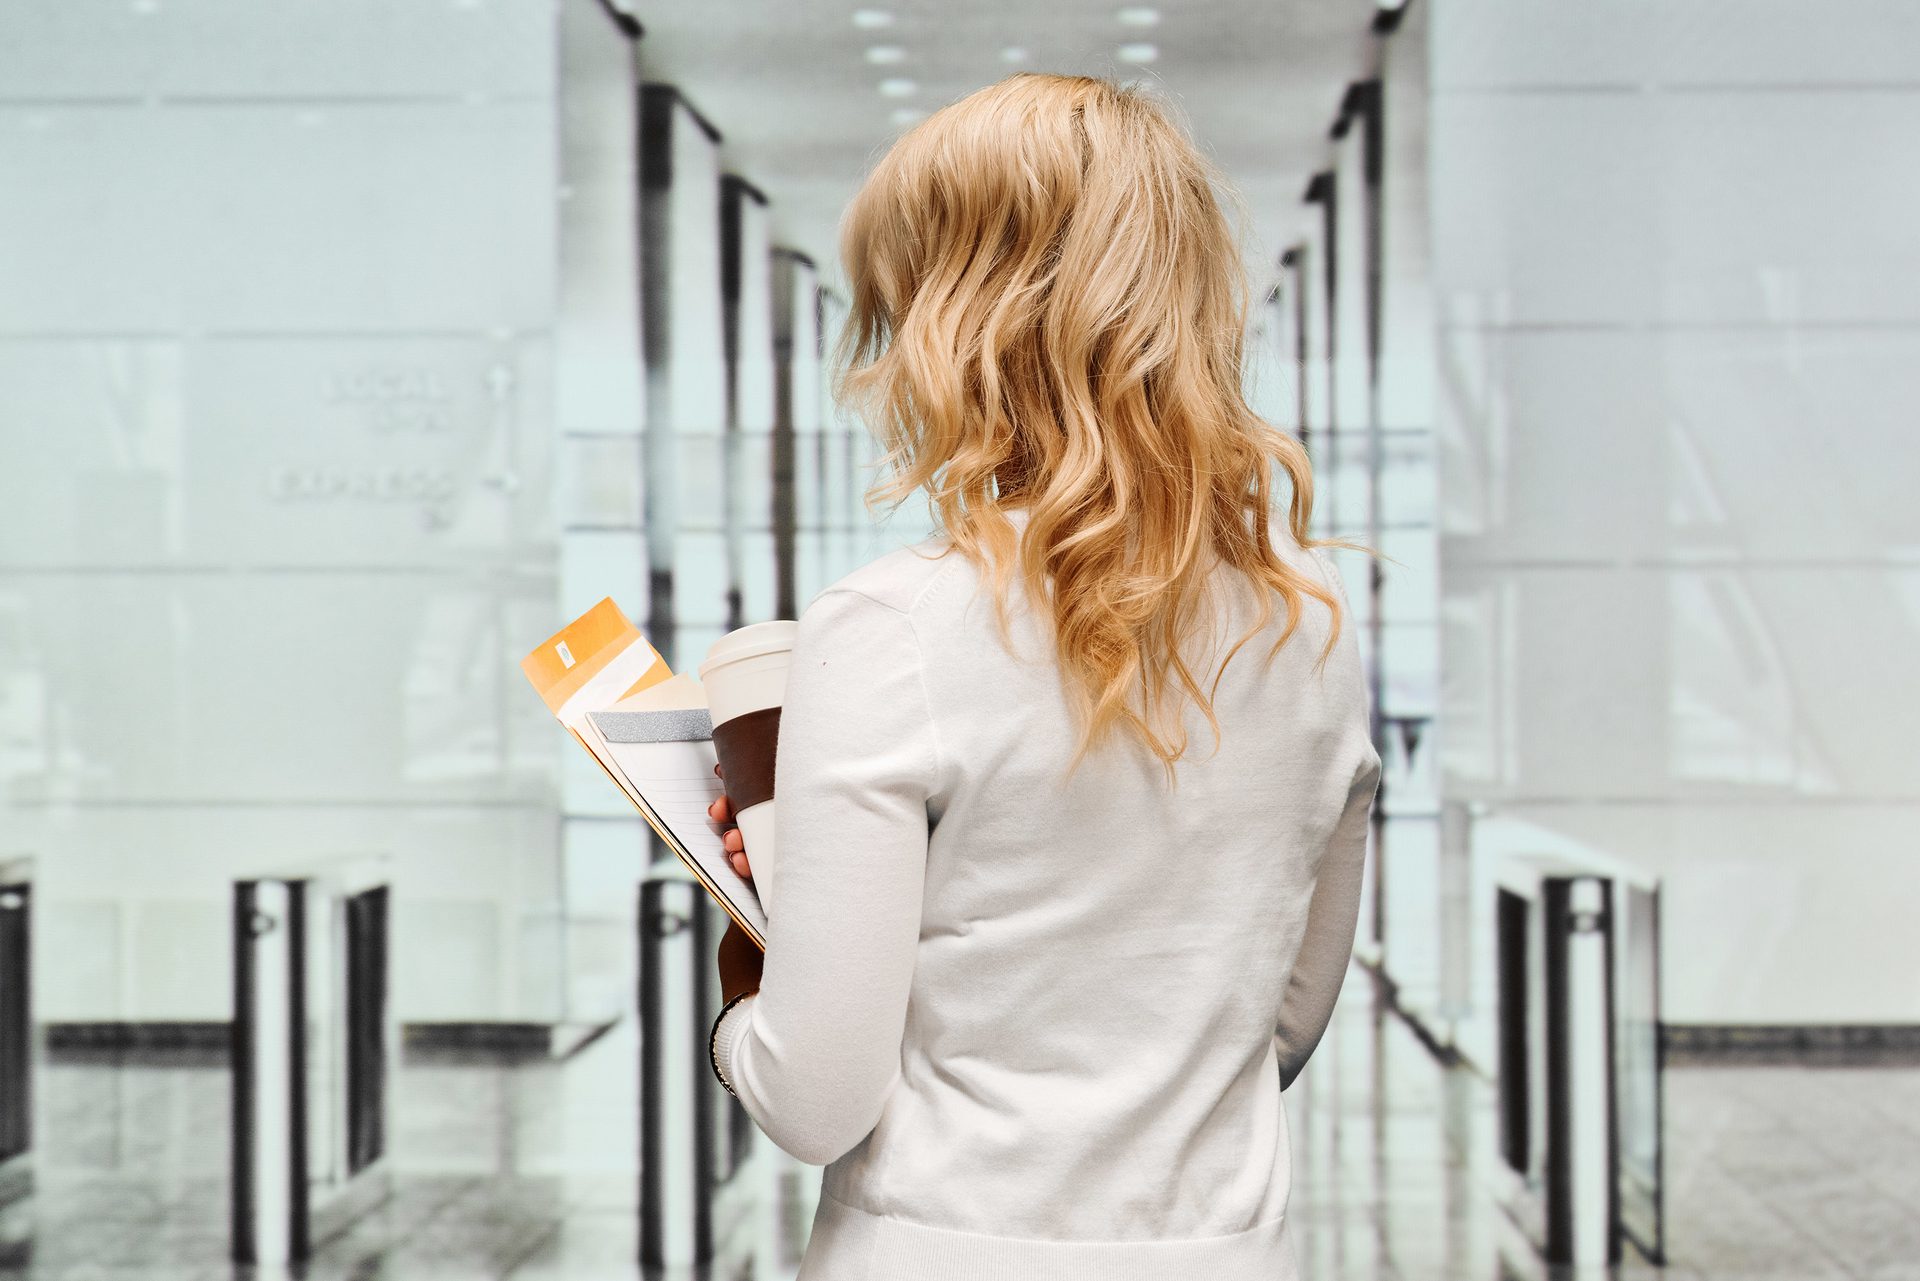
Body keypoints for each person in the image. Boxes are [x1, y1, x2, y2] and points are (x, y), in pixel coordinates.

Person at [703, 72, 1381, 1281]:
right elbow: (1274, 1032)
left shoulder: (894, 626)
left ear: (953, 317)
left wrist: (748, 972)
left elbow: (816, 1102)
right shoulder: (1313, 632)